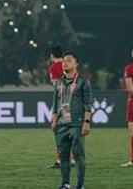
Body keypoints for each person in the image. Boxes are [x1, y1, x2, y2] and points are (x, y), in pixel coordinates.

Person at [51, 52, 93, 189]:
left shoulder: (83, 82)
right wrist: (53, 120)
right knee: (63, 156)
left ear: (76, 64)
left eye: (69, 60)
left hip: (77, 123)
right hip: (61, 124)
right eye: (64, 60)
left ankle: (80, 185)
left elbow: (88, 104)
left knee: (79, 155)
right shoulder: (58, 82)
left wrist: (86, 122)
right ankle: (65, 184)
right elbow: (55, 103)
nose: (65, 63)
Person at [48, 45, 74, 169]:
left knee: (58, 130)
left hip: (62, 103)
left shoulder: (53, 68)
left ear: (52, 56)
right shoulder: (68, 64)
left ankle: (60, 160)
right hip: (73, 101)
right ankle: (73, 159)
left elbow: (56, 87)